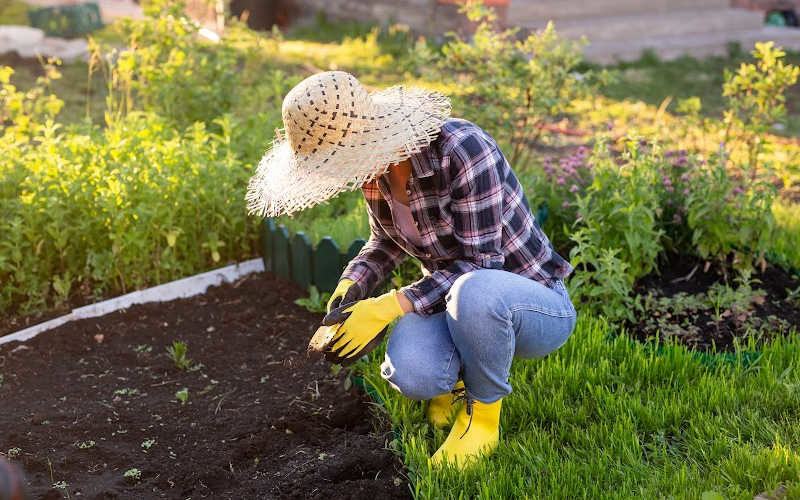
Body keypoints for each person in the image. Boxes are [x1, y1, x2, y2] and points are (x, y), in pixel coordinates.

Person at [247, 71, 577, 469]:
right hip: (455, 299)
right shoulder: (376, 173)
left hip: (531, 305)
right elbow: (385, 242)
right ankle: (454, 385)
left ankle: (483, 418)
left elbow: (480, 266)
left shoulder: (462, 150)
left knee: (476, 290)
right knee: (413, 373)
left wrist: (388, 306)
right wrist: (352, 284)